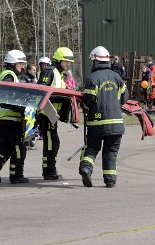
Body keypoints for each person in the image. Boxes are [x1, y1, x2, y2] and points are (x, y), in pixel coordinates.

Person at [79, 46, 126, 188]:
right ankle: (110, 180)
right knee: (111, 152)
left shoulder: (92, 79)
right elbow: (124, 98)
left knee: (92, 147)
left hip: (96, 123)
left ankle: (86, 168)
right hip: (116, 123)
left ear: (94, 61)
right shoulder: (117, 78)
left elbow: (88, 100)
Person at [0, 50, 30, 184]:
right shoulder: (9, 75)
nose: (22, 67)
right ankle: (16, 176)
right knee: (18, 148)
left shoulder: (2, 74)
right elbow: (8, 94)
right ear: (15, 63)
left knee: (4, 148)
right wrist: (20, 104)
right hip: (11, 119)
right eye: (21, 64)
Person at [37, 46, 75, 180]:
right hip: (46, 115)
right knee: (52, 143)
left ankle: (50, 170)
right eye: (66, 61)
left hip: (52, 115)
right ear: (59, 60)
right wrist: (61, 98)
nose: (68, 64)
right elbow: (41, 91)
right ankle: (49, 172)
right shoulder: (50, 71)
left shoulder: (59, 73)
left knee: (53, 142)